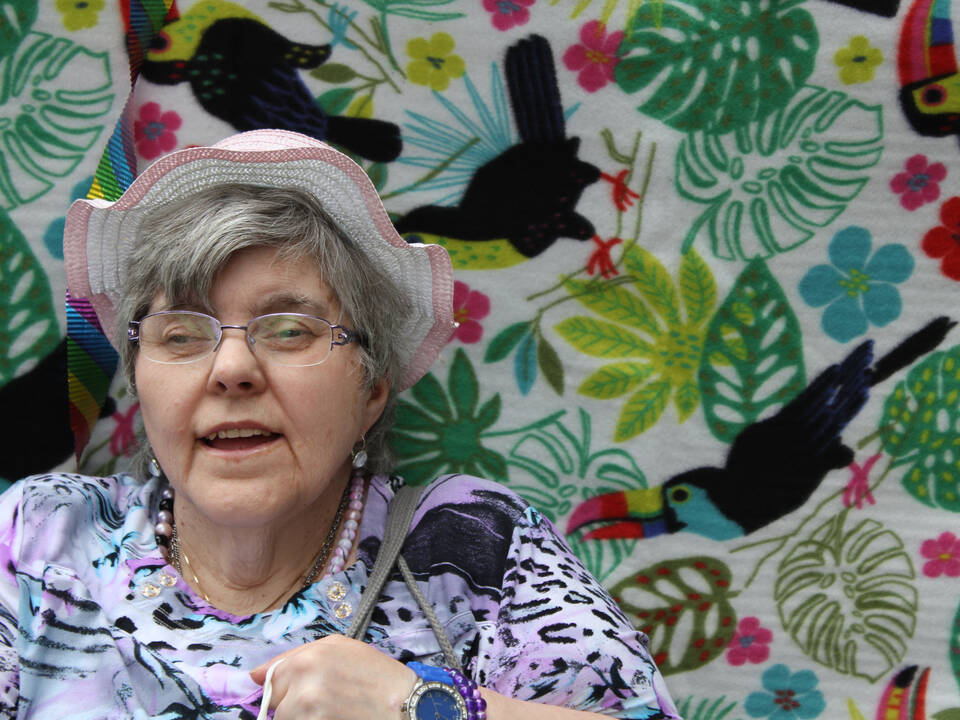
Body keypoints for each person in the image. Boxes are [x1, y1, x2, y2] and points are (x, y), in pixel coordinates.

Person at [0, 130, 680, 719]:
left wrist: (424, 706)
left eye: (289, 330)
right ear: (140, 381)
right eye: (181, 334)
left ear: (371, 391)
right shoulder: (41, 538)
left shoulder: (473, 548)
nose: (231, 368)